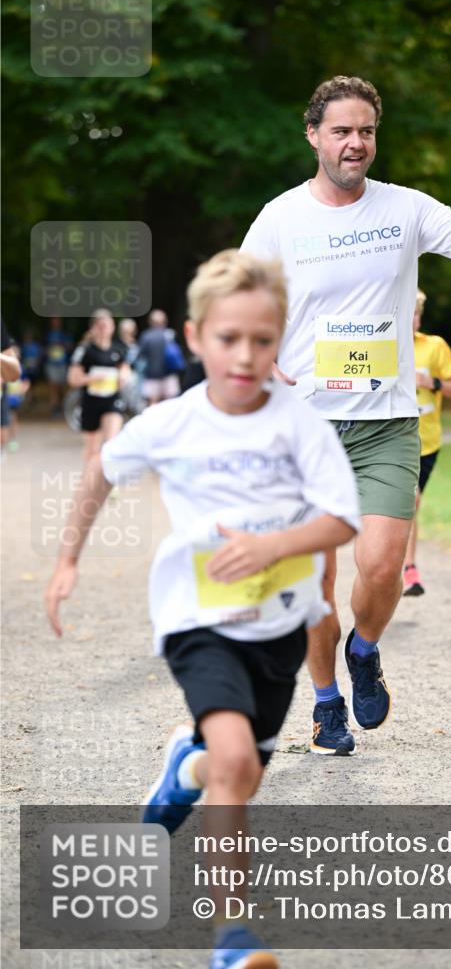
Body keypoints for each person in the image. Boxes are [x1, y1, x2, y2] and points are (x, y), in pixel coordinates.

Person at [45, 251, 360, 969]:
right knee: (234, 755)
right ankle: (233, 936)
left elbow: (342, 518)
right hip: (198, 621)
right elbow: (102, 470)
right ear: (195, 338)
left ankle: (179, 776)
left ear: (279, 339)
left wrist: (273, 544)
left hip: (281, 624)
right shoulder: (171, 421)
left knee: (237, 772)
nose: (245, 356)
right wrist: (66, 560)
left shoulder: (298, 424)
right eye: (228, 339)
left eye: (261, 339)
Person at [241, 74, 451, 755]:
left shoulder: (405, 209)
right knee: (314, 581)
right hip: (304, 427)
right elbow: (238, 299)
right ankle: (326, 704)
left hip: (387, 424)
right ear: (313, 136)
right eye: (340, 131)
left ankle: (365, 649)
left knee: (383, 568)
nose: (354, 142)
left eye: (364, 130)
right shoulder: (279, 218)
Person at [403, 289, 451, 595]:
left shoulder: (434, 346)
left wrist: (433, 382)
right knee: (409, 500)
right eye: (407, 313)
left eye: (416, 314)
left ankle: (404, 566)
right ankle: (408, 569)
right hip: (393, 440)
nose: (412, 319)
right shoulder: (381, 346)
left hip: (427, 441)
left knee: (411, 503)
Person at [67, 309, 130, 463]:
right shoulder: (85, 350)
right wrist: (91, 378)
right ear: (93, 328)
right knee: (92, 450)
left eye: (107, 325)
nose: (103, 329)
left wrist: (123, 376)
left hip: (112, 400)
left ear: (113, 327)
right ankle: (90, 480)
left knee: (111, 443)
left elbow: (125, 369)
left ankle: (110, 481)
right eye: (100, 326)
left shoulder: (118, 349)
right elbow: (73, 378)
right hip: (91, 402)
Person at [138, 309, 182, 405]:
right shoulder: (170, 334)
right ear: (165, 321)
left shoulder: (146, 336)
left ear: (150, 322)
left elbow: (141, 355)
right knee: (170, 405)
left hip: (152, 375)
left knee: (152, 406)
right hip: (169, 374)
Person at [2, 346, 31, 452]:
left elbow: (26, 382)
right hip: (4, 396)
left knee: (12, 417)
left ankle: (13, 439)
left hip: (13, 398)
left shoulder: (20, 368)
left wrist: (21, 391)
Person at [44, 316, 73, 416]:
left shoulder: (64, 334)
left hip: (62, 363)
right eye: (53, 320)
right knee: (53, 386)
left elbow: (69, 347)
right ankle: (54, 408)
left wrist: (62, 347)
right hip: (51, 364)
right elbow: (43, 348)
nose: (55, 322)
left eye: (57, 320)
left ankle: (63, 407)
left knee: (62, 386)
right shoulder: (47, 334)